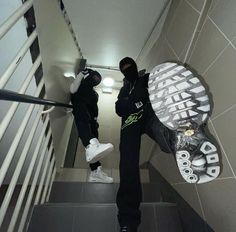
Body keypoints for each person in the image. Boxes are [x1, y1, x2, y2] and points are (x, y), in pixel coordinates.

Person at [115, 57, 220, 232]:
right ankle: (128, 222)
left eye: (129, 65)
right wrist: (137, 100)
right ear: (122, 71)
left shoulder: (146, 78)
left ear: (135, 66)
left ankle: (185, 142)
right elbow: (119, 108)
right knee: (127, 163)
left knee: (162, 130)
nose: (127, 68)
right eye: (124, 67)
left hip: (150, 114)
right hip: (130, 121)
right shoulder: (124, 89)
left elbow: (162, 88)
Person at [70, 68, 114, 183]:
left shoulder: (94, 93)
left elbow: (94, 107)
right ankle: (91, 146)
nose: (95, 80)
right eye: (94, 77)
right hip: (81, 112)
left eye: (97, 79)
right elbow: (72, 89)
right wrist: (81, 74)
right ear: (88, 76)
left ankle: (95, 172)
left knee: (96, 147)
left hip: (92, 120)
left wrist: (95, 119)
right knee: (91, 143)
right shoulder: (79, 85)